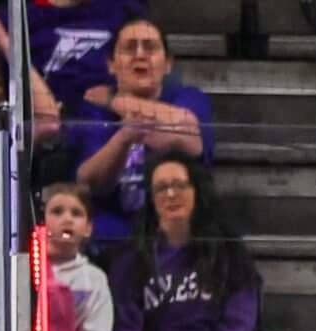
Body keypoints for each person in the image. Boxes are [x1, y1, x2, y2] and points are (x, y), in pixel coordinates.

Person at [66, 17, 210, 245]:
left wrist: (115, 100)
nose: (140, 54)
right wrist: (124, 138)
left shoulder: (190, 98)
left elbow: (191, 138)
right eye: (130, 47)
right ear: (111, 64)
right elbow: (89, 181)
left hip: (177, 230)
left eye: (150, 47)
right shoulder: (93, 111)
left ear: (168, 63)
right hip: (113, 236)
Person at [108, 155, 260, 331]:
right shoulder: (131, 260)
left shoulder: (230, 254)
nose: (171, 194)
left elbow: (239, 325)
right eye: (161, 188)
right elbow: (127, 329)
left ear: (196, 192)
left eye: (179, 185)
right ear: (151, 199)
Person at [42, 182, 115, 331]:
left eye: (76, 213)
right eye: (57, 212)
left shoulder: (94, 278)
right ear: (42, 223)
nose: (67, 219)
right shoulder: (19, 269)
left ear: (88, 228)